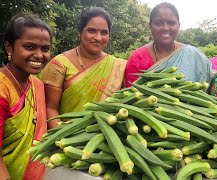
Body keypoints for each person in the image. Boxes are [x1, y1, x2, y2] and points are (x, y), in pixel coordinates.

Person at [41, 7, 126, 129]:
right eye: (91, 31)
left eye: (104, 32)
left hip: (105, 139)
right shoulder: (60, 64)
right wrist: (62, 140)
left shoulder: (117, 67)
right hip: (65, 138)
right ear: (80, 33)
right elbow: (50, 108)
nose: (98, 37)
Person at [0, 13, 52, 180]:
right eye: (29, 47)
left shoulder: (37, 85)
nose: (39, 55)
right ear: (9, 48)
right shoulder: (2, 89)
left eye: (45, 49)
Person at [125, 2, 212, 87]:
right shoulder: (138, 59)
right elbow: (133, 94)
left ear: (178, 25)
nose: (165, 28)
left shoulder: (193, 55)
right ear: (150, 26)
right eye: (158, 23)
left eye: (171, 23)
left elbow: (207, 88)